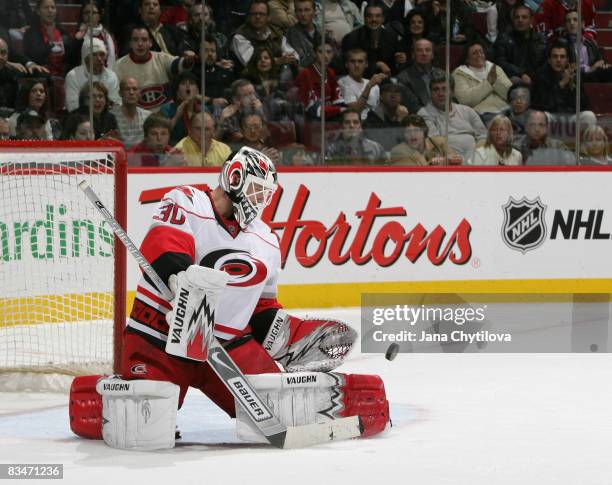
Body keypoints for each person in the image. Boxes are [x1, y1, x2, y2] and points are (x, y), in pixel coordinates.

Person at [69, 147, 389, 451]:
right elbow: (163, 248)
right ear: (233, 177)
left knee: (279, 405)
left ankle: (335, 399)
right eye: (256, 191)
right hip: (160, 338)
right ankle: (103, 396)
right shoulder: (187, 200)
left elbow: (261, 309)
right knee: (144, 421)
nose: (260, 201)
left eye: (265, 195)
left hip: (226, 347)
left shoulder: (265, 239)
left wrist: (288, 337)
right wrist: (180, 282)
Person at [114, 26, 196, 112]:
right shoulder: (119, 66)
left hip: (165, 116)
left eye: (144, 40)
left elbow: (179, 65)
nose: (140, 44)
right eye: (135, 40)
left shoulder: (161, 58)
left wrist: (188, 61)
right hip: (137, 119)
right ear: (130, 44)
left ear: (150, 43)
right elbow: (116, 98)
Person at [418, 69, 487, 161]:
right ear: (430, 93)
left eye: (444, 89)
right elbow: (437, 141)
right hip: (447, 162)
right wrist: (456, 160)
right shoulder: (424, 113)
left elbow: (483, 136)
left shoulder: (467, 111)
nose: (441, 94)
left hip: (475, 162)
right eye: (436, 89)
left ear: (453, 92)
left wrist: (477, 157)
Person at [532, 42, 596, 127]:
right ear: (549, 60)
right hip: (551, 116)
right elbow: (543, 103)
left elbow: (584, 105)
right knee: (539, 116)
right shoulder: (541, 76)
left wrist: (572, 86)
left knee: (589, 115)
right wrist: (561, 84)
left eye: (562, 57)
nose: (558, 60)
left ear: (567, 60)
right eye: (555, 56)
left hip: (570, 116)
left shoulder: (574, 76)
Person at [341, 2, 406, 77]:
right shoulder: (351, 38)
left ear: (383, 19)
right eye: (369, 16)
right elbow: (346, 67)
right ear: (364, 18)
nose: (374, 19)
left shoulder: (392, 37)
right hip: (360, 80)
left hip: (386, 80)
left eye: (378, 16)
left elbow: (394, 66)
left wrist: (399, 61)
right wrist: (375, 66)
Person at [452, 40, 512, 121]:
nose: (479, 55)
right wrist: (488, 83)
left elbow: (510, 93)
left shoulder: (494, 68)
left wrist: (495, 82)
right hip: (482, 114)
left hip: (507, 110)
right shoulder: (459, 73)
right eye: (475, 53)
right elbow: (465, 100)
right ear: (467, 59)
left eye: (481, 52)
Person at [231, 0, 299, 68]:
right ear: (249, 17)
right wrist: (278, 61)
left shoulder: (274, 33)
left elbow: (293, 54)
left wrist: (290, 58)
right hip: (250, 77)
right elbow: (251, 63)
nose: (258, 17)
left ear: (268, 17)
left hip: (277, 76)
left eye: (262, 14)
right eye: (254, 14)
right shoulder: (240, 36)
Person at [493, 4, 548, 86]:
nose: (520, 20)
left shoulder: (541, 40)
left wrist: (533, 77)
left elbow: (545, 64)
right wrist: (521, 73)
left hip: (536, 80)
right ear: (513, 20)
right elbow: (500, 62)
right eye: (517, 17)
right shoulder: (504, 38)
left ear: (531, 20)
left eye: (524, 17)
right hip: (513, 78)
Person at [64, 37, 120, 112]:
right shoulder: (73, 76)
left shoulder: (112, 76)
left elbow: (116, 104)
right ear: (85, 58)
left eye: (102, 54)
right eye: (94, 55)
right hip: (81, 119)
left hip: (106, 118)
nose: (99, 59)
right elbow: (73, 107)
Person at [295, 38, 345, 120]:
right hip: (310, 121)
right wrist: (339, 110)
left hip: (328, 118)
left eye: (329, 52)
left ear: (333, 54)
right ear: (314, 53)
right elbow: (312, 109)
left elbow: (338, 101)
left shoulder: (330, 72)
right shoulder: (305, 74)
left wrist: (345, 110)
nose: (325, 56)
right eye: (321, 52)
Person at [23, 0, 76, 76]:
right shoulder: (30, 33)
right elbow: (35, 56)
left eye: (53, 7)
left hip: (63, 75)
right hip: (41, 75)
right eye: (46, 7)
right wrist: (50, 40)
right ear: (38, 11)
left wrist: (76, 41)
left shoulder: (62, 32)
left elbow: (70, 58)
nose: (50, 10)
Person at [560, 10, 612, 83]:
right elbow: (568, 67)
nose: (572, 23)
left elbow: (600, 60)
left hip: (592, 77)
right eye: (568, 21)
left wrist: (604, 64)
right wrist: (590, 69)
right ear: (565, 26)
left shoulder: (590, 42)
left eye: (575, 20)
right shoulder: (561, 43)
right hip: (574, 79)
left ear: (582, 24)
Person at [389, 114, 456, 165]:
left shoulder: (440, 142)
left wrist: (451, 160)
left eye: (416, 130)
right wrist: (436, 163)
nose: (412, 134)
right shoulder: (398, 151)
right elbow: (415, 175)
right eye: (408, 131)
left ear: (424, 132)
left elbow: (455, 161)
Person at [338, 48, 385, 120]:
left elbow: (379, 111)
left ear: (366, 64)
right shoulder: (343, 83)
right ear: (346, 64)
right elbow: (355, 111)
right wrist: (369, 86)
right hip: (356, 124)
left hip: (374, 125)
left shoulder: (374, 85)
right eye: (352, 61)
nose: (356, 65)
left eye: (360, 61)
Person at [365, 81, 410, 151]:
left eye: (397, 92)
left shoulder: (404, 113)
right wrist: (399, 121)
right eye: (389, 91)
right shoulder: (373, 117)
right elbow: (388, 145)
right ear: (381, 96)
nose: (393, 95)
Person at [159, 71, 201, 145]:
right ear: (177, 92)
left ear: (197, 91)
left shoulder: (203, 110)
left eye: (191, 83)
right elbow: (160, 136)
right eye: (183, 84)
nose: (188, 86)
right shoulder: (166, 109)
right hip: (174, 152)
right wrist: (176, 116)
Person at [394, 38, 436, 113]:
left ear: (432, 55)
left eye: (428, 50)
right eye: (419, 50)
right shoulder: (403, 79)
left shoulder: (442, 74)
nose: (424, 53)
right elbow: (413, 106)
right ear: (413, 55)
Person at [73, 1, 117, 69]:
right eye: (86, 13)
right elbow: (72, 59)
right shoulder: (76, 34)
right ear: (82, 16)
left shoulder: (108, 36)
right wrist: (77, 40)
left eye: (93, 13)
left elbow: (115, 56)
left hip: (105, 74)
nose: (89, 15)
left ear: (99, 16)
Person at [111, 76, 151, 149]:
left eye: (134, 89)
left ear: (139, 93)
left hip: (143, 157)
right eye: (127, 89)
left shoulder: (148, 116)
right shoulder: (111, 116)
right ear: (120, 93)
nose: (131, 92)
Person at [285, 0, 321, 68]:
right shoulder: (292, 33)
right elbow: (301, 62)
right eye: (299, 10)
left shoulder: (320, 31)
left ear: (314, 12)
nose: (303, 14)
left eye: (307, 10)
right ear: (295, 13)